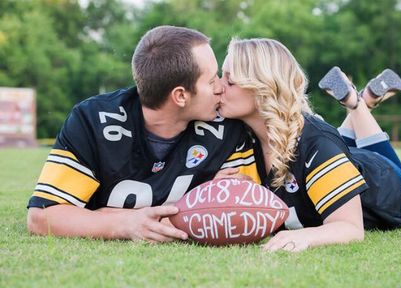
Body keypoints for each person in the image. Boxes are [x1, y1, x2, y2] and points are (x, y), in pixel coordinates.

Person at [27, 26, 247, 243]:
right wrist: (126, 223)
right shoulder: (92, 120)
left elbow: (246, 205)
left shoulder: (228, 127)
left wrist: (206, 200)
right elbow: (42, 216)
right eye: (211, 81)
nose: (221, 87)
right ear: (180, 96)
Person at [217, 38, 401, 252]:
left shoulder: (317, 143)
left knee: (327, 144)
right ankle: (359, 101)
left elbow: (350, 227)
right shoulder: (236, 134)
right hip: (339, 160)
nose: (218, 87)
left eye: (230, 81)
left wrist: (306, 236)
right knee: (330, 148)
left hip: (388, 186)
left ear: (262, 88)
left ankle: (358, 105)